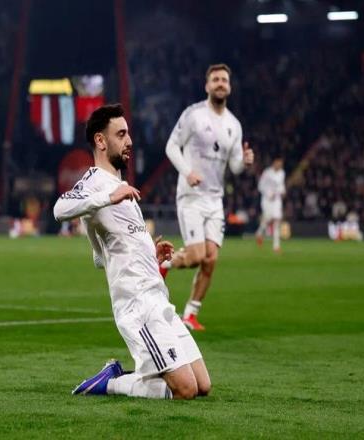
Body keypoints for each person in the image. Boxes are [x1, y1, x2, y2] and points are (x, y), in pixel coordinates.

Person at [53, 104, 211, 400]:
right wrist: (108, 197)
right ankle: (110, 382)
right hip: (136, 305)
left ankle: (123, 377)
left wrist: (153, 254)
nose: (129, 141)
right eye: (121, 134)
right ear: (101, 141)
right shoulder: (95, 184)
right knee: (185, 390)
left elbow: (104, 255)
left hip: (158, 298)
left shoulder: (122, 186)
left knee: (202, 385)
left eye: (128, 134)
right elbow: (59, 209)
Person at [162, 63, 254, 331]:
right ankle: (163, 263)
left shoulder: (234, 125)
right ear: (207, 86)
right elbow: (171, 146)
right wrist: (187, 172)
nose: (220, 83)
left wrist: (245, 162)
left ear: (230, 87)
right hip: (191, 195)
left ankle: (190, 314)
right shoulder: (193, 114)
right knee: (195, 257)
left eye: (224, 80)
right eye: (215, 79)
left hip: (215, 200)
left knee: (211, 259)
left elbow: (234, 166)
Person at [255, 157, 286, 252]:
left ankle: (276, 247)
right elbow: (260, 186)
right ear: (274, 162)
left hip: (277, 200)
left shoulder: (282, 173)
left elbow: (281, 185)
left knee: (277, 221)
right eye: (278, 163)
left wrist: (283, 191)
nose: (280, 165)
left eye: (281, 164)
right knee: (267, 219)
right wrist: (268, 193)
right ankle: (259, 233)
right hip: (267, 200)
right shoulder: (267, 172)